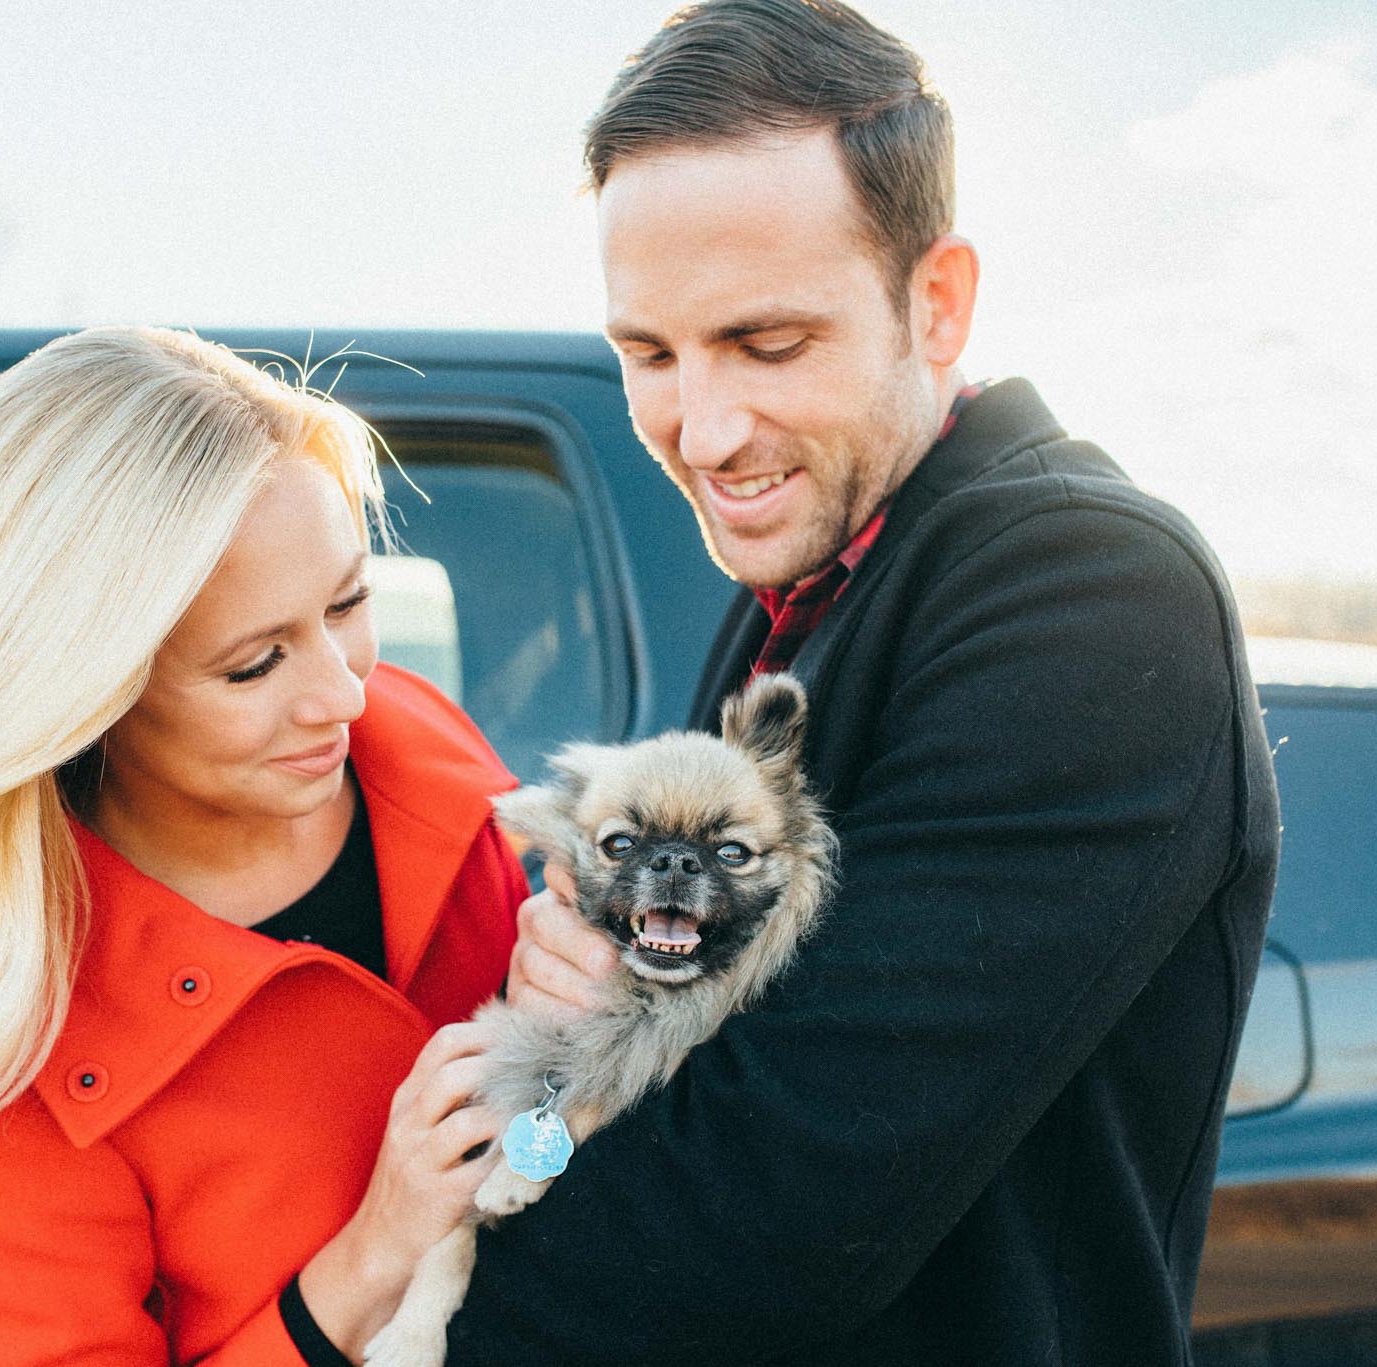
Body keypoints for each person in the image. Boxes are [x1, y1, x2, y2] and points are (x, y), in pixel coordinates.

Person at [474, 2, 1282, 1362]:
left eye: (767, 343)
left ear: (939, 301)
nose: (705, 429)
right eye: (649, 354)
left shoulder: (1088, 592)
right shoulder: (810, 583)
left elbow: (769, 1201)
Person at [0, 325, 541, 1364]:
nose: (345, 692)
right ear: (85, 694)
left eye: (350, 603)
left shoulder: (423, 752)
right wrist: (373, 1251)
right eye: (254, 663)